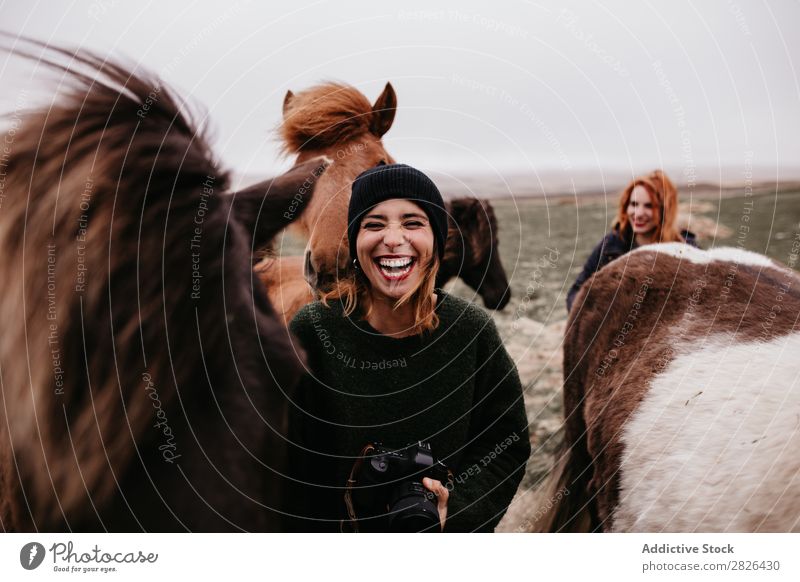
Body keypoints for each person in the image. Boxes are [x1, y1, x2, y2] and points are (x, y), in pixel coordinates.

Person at [283, 163, 530, 532]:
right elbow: (285, 464)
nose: (394, 238)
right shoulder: (314, 333)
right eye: (374, 224)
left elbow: (505, 445)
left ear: (436, 242)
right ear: (354, 242)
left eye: (413, 222)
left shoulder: (471, 332)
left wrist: (456, 512)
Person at [566, 170, 698, 312]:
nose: (639, 213)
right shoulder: (610, 245)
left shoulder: (685, 251)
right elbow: (575, 293)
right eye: (634, 204)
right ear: (625, 206)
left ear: (666, 210)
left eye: (649, 206)